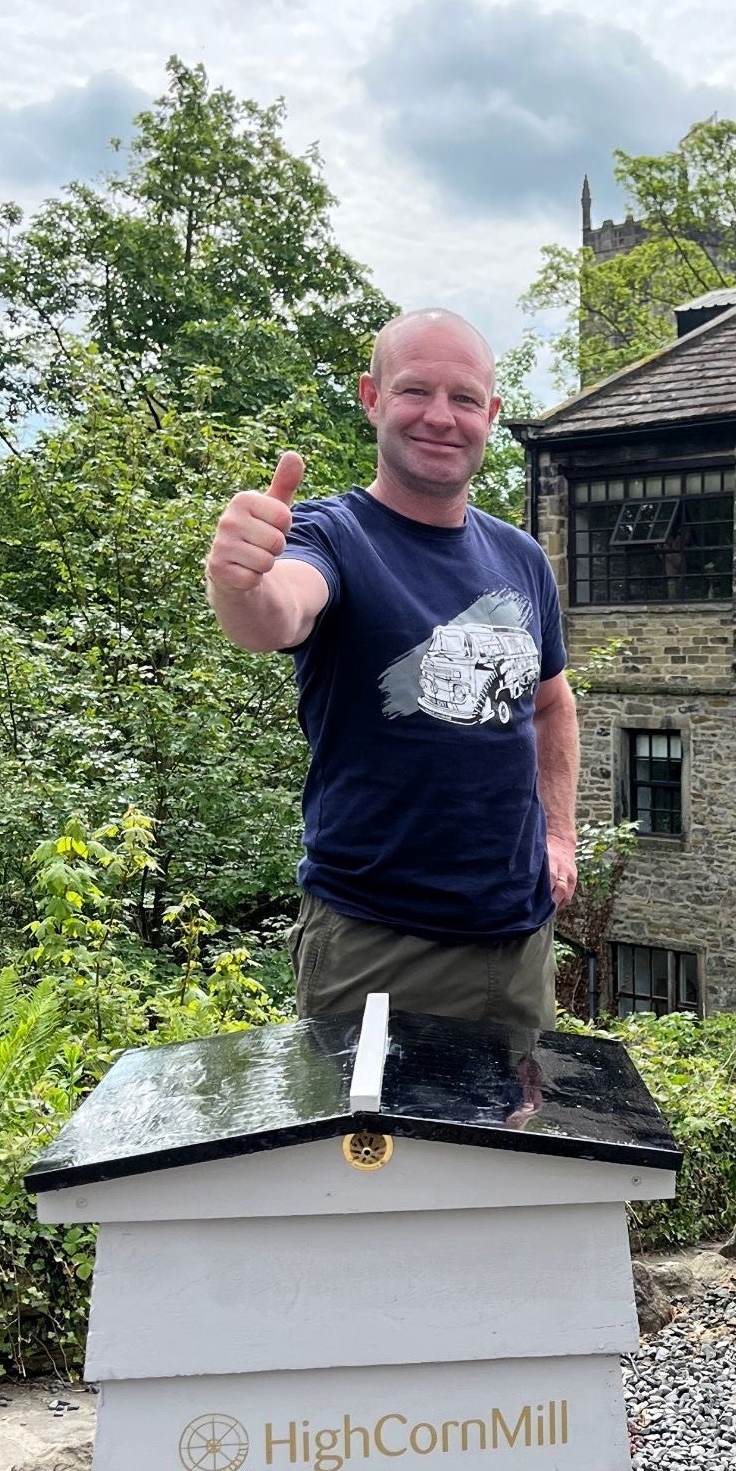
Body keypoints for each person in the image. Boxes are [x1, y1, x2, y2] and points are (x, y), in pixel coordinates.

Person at [204, 308, 577, 1046]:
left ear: (491, 415)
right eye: (415, 392)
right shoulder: (329, 535)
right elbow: (277, 612)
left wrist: (559, 838)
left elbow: (551, 705)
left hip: (520, 941)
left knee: (511, 1159)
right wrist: (241, 583)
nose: (441, 417)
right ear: (372, 398)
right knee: (370, 1162)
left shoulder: (521, 558)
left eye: (465, 398)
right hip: (376, 947)